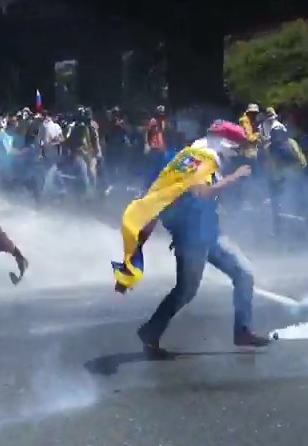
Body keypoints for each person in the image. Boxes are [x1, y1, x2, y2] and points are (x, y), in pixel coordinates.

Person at [112, 120, 271, 357]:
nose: (236, 153)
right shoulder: (203, 160)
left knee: (244, 273)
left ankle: (243, 331)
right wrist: (234, 177)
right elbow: (201, 192)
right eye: (236, 146)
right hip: (192, 239)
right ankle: (150, 332)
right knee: (185, 290)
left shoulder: (189, 157)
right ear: (224, 143)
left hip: (209, 233)